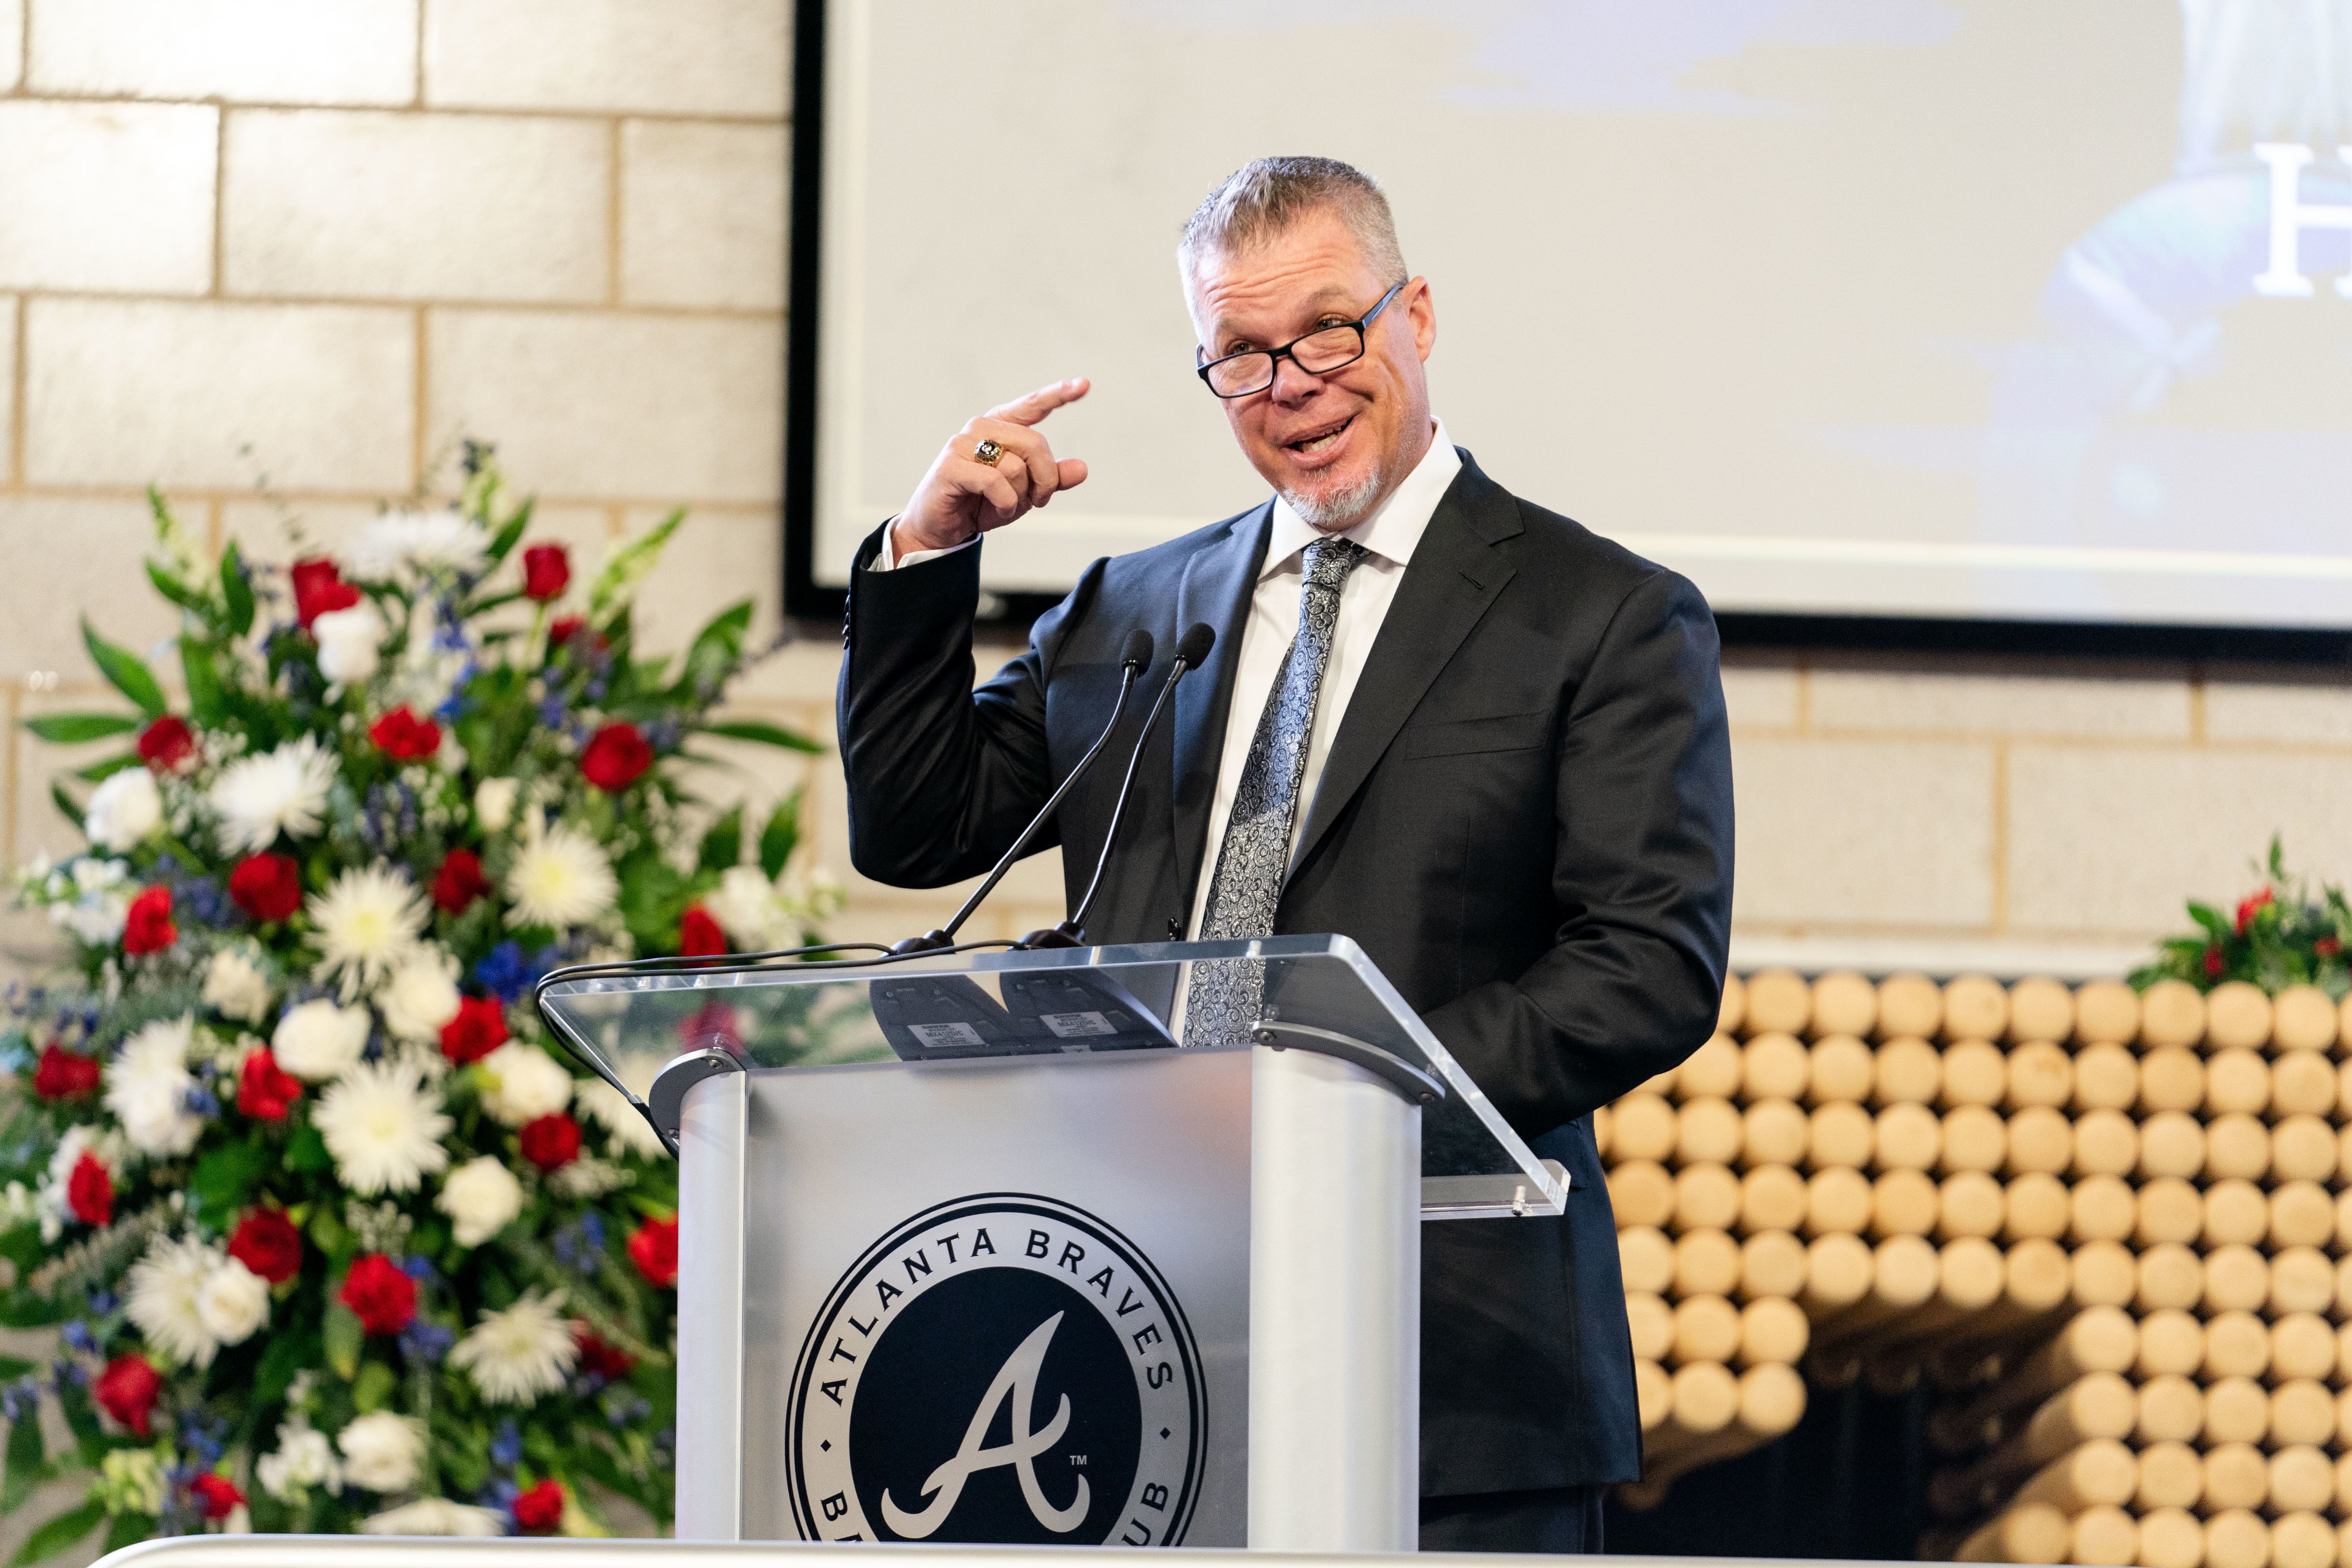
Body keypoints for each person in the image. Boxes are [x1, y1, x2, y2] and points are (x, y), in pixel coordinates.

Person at [836, 155, 1734, 1552]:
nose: (1295, 382)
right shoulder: (1134, 607)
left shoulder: (1602, 617)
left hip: (1453, 1363)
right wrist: (926, 551)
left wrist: (1324, 1107)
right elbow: (916, 828)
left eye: (1328, 329)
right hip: (1133, 1347)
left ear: (1416, 316)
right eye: (1241, 357)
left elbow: (1646, 970)